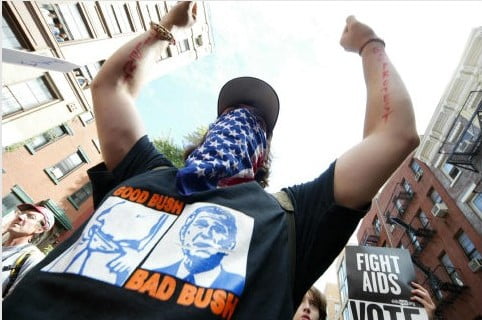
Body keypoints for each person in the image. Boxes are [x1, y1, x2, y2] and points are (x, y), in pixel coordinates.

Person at [4, 2, 421, 319]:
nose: (239, 122)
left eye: (255, 122)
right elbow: (110, 85)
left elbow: (395, 134)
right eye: (229, 115)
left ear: (262, 159)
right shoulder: (146, 170)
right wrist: (166, 28)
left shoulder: (292, 218)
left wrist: (368, 44)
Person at [2, 203, 55, 298]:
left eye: (31, 217)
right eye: (21, 213)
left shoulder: (33, 258)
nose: (21, 217)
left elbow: (15, 300)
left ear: (39, 229)